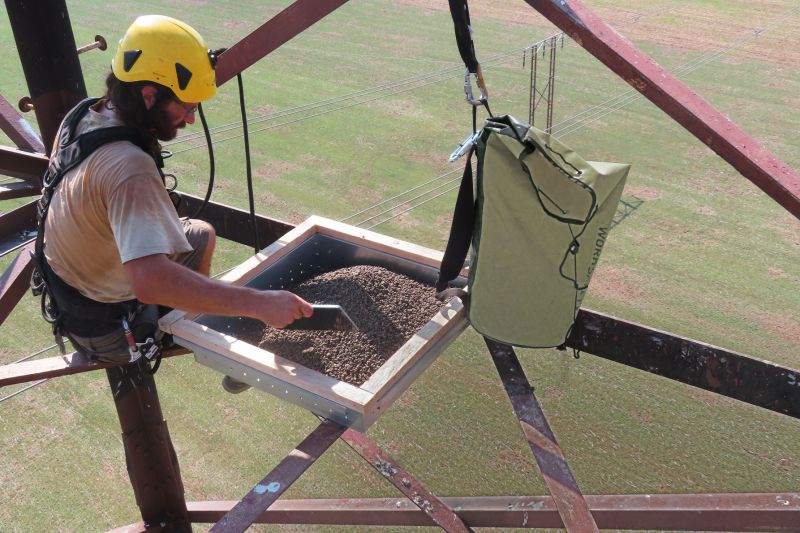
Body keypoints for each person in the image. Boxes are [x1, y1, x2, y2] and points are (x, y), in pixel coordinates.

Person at [38, 15, 312, 392]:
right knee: (204, 285)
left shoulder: (86, 113)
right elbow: (150, 283)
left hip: (72, 294)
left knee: (199, 233)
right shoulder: (129, 169)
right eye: (185, 106)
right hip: (108, 329)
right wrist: (259, 304)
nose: (190, 118)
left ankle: (188, 316)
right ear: (149, 94)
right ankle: (199, 337)